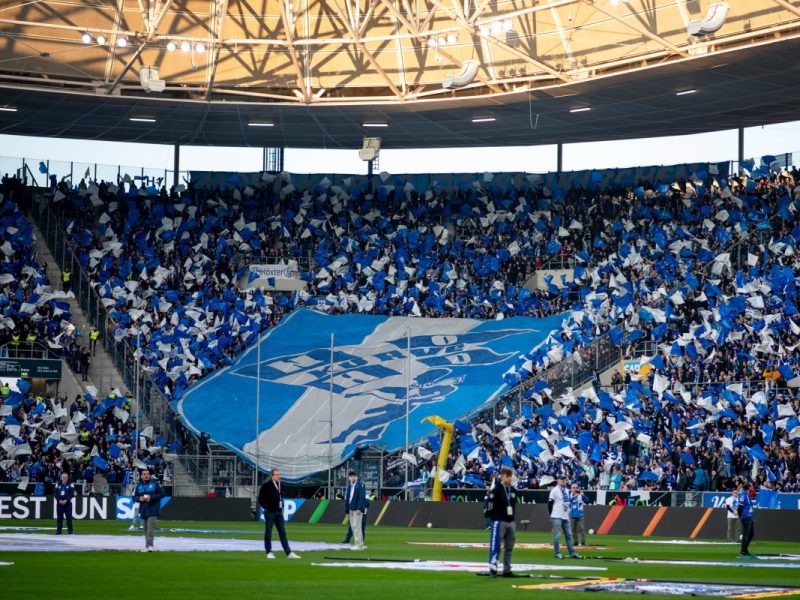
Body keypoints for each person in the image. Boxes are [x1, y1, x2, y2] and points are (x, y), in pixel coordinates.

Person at [257, 469, 301, 559]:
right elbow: (260, 498)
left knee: (282, 532)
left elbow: (282, 495)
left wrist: (281, 506)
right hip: (270, 512)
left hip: (279, 512)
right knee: (268, 532)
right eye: (277, 475)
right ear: (272, 476)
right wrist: (267, 507)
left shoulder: (281, 485)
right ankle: (269, 552)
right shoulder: (266, 485)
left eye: (279, 474)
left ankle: (288, 552)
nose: (278, 476)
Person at [485, 466, 517, 577]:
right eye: (507, 476)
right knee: (496, 545)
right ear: (502, 476)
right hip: (499, 520)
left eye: (510, 476)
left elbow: (513, 505)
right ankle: (493, 567)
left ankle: (507, 569)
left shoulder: (513, 490)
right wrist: (492, 518)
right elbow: (490, 505)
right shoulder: (496, 489)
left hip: (510, 521)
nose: (509, 478)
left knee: (509, 546)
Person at [549, 474, 581, 559]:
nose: (563, 481)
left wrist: (574, 497)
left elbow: (567, 502)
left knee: (569, 535)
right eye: (561, 479)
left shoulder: (566, 490)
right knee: (557, 536)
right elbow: (550, 503)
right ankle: (557, 553)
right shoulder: (554, 490)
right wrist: (551, 514)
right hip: (557, 515)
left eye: (564, 479)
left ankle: (572, 553)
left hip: (565, 516)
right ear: (557, 480)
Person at [134, 469, 164, 552]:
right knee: (146, 530)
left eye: (147, 474)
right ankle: (148, 547)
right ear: (141, 476)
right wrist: (139, 498)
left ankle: (150, 546)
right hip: (143, 510)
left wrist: (151, 497)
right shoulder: (139, 486)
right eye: (144, 474)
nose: (146, 475)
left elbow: (162, 494)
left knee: (150, 529)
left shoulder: (155, 484)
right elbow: (134, 497)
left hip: (153, 510)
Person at [344, 470, 367, 550]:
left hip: (357, 509)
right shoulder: (349, 487)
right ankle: (358, 544)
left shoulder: (360, 485)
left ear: (356, 477)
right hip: (351, 509)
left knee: (357, 527)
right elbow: (348, 499)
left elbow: (362, 497)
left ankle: (359, 545)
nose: (352, 478)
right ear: (349, 478)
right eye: (351, 476)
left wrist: (359, 508)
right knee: (354, 527)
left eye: (354, 476)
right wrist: (347, 510)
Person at [737, 481, 755, 557]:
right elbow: (739, 507)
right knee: (746, 534)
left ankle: (745, 549)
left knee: (751, 534)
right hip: (746, 517)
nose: (752, 487)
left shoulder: (747, 495)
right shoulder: (743, 495)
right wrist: (740, 516)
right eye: (751, 486)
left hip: (749, 516)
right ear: (749, 487)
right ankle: (743, 551)